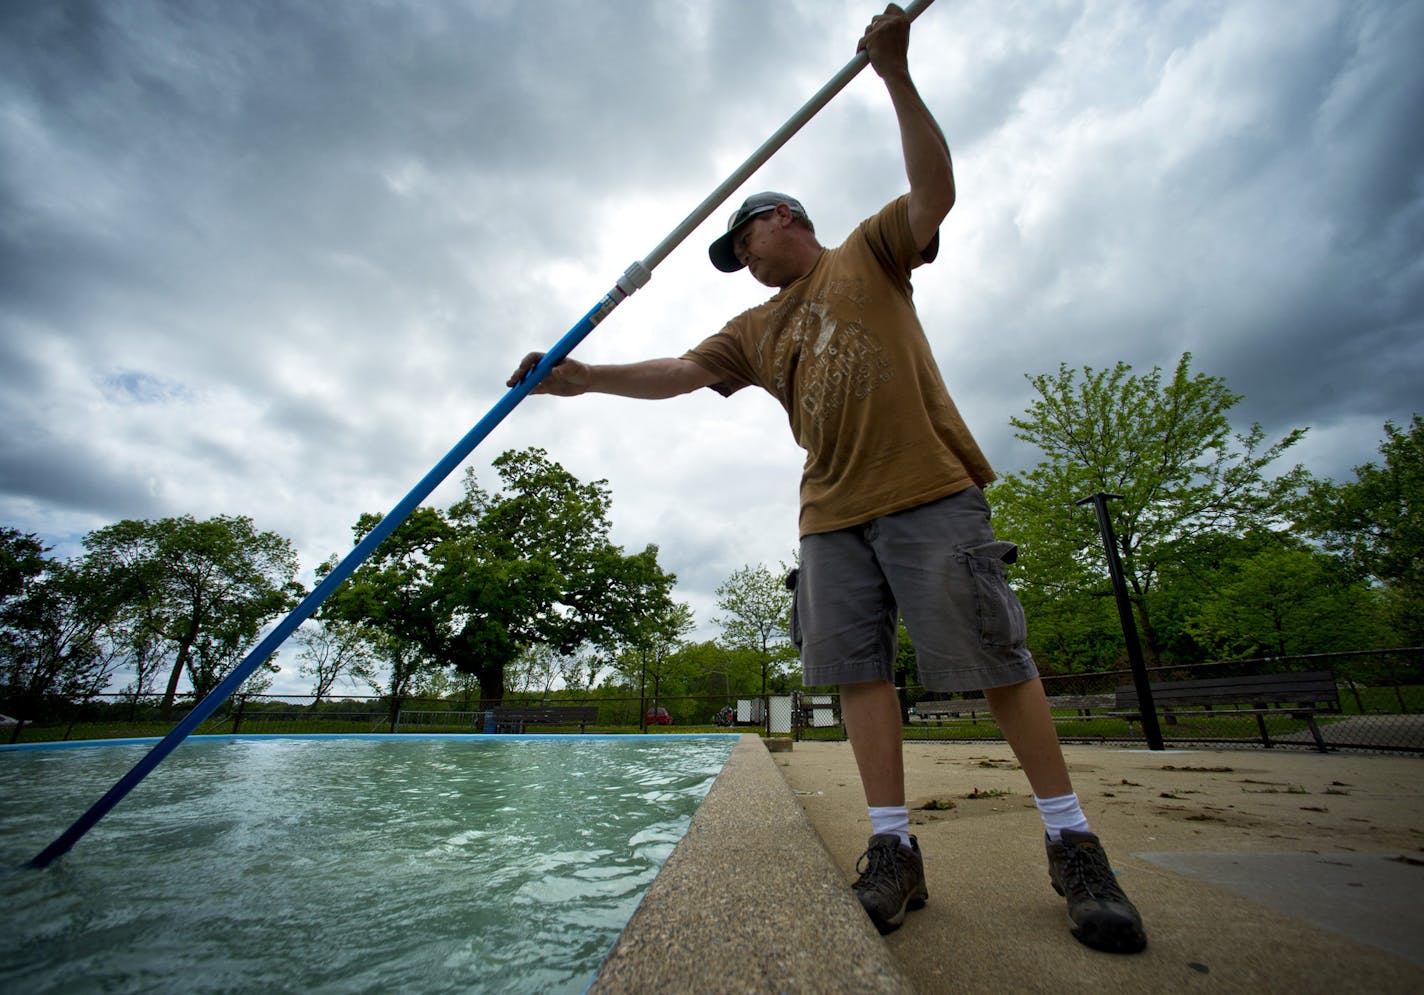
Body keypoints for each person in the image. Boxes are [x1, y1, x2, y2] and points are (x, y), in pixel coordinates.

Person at [508, 4, 1147, 954]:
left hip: (927, 488)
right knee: (853, 673)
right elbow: (679, 374)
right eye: (729, 259)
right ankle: (893, 851)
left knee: (997, 659)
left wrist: (893, 71)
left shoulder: (867, 251)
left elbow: (936, 191)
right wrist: (583, 378)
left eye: (741, 246)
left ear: (783, 220)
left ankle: (1073, 842)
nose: (738, 266)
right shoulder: (754, 331)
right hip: (828, 515)